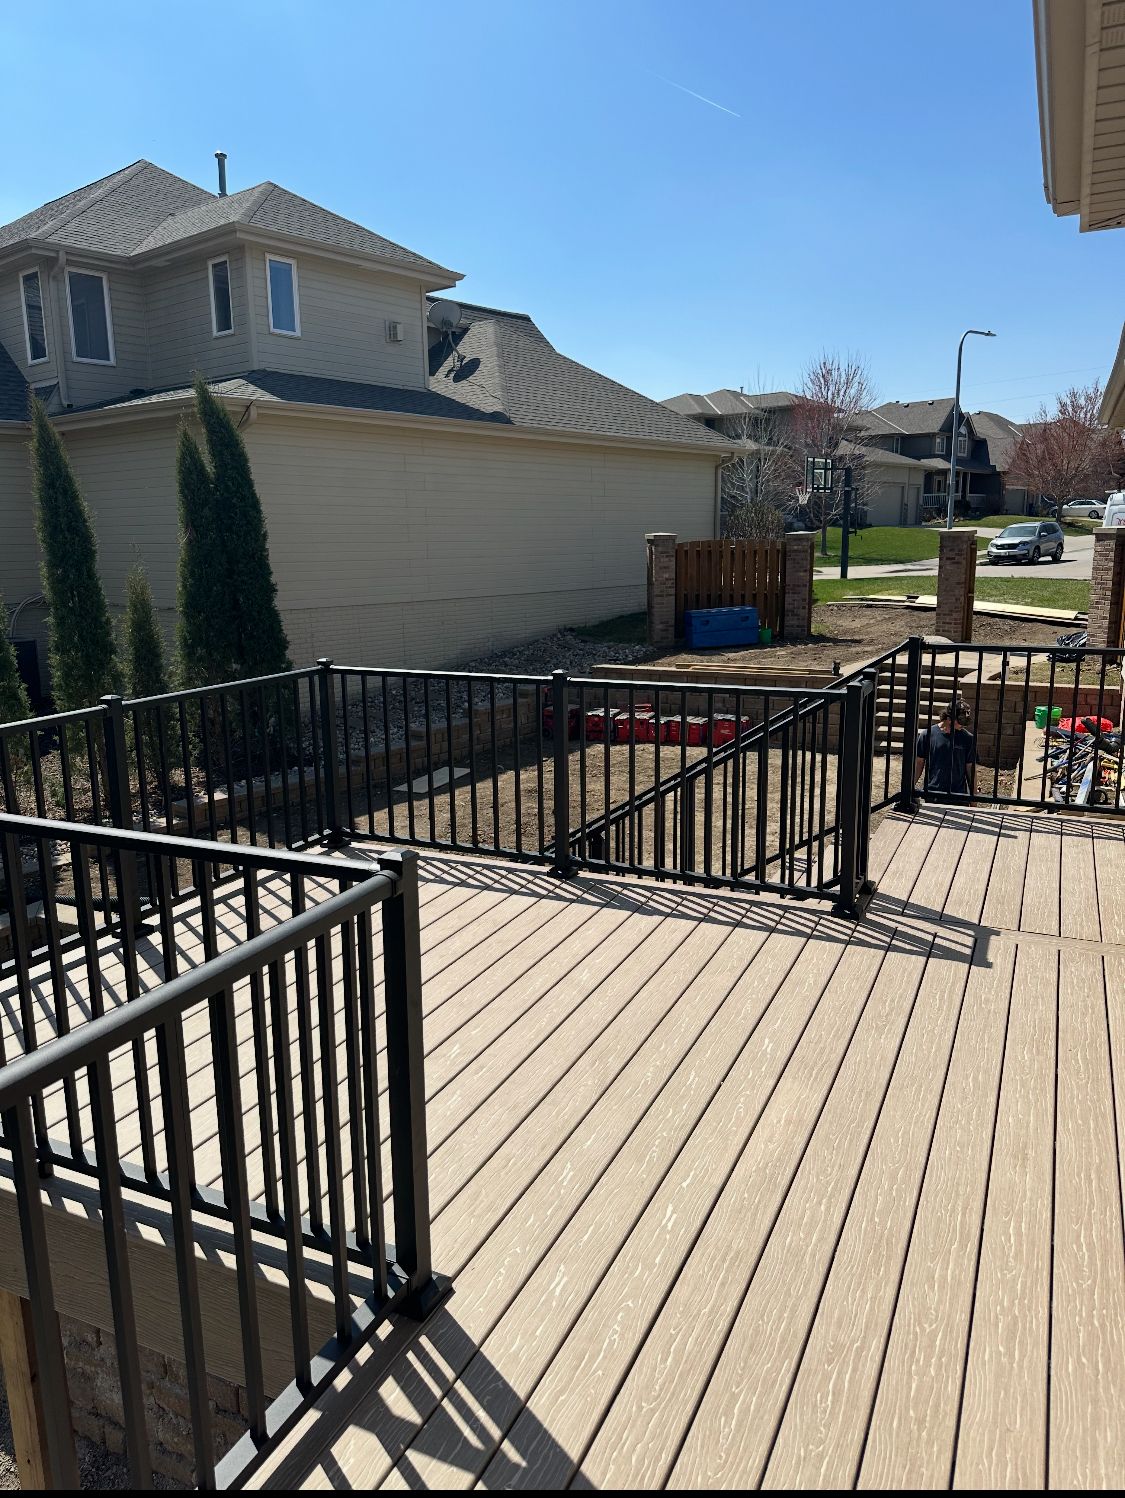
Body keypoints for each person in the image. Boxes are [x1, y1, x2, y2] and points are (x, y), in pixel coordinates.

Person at [915, 696, 975, 799]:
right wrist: (909, 787)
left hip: (958, 796)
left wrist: (973, 801)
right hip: (932, 794)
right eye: (961, 721)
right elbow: (919, 764)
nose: (964, 725)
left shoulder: (968, 739)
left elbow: (971, 770)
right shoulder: (927, 735)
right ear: (949, 718)